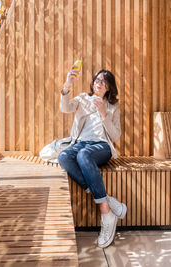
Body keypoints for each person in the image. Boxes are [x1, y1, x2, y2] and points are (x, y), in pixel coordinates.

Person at [58, 65, 127, 248]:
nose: (99, 82)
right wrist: (67, 84)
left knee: (84, 155)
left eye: (103, 81)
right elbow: (65, 108)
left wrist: (104, 114)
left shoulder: (112, 106)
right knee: (64, 157)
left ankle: (106, 214)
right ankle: (107, 201)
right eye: (97, 79)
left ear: (109, 88)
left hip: (101, 146)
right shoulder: (83, 98)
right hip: (80, 143)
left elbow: (115, 136)